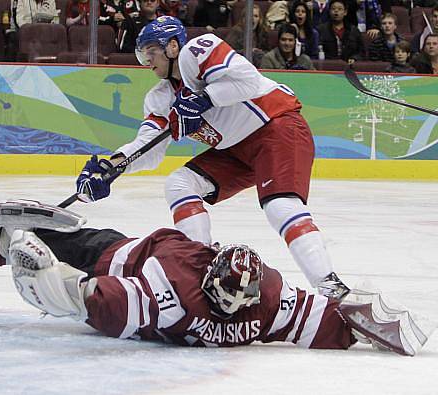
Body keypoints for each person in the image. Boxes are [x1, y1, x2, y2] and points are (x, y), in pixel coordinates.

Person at [0, 171, 430, 356]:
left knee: (23, 226)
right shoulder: (267, 305)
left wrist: (44, 274)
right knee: (29, 230)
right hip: (124, 259)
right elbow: (330, 323)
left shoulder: (165, 298)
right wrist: (370, 325)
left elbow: (87, 303)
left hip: (113, 258)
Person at [75, 16, 351, 299]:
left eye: (150, 51)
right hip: (234, 152)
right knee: (180, 184)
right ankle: (200, 266)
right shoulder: (159, 98)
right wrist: (113, 166)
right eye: (143, 54)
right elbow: (148, 147)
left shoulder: (198, 51)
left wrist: (203, 99)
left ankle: (331, 287)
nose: (147, 60)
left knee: (280, 206)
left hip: (276, 126)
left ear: (172, 46)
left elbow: (247, 80)